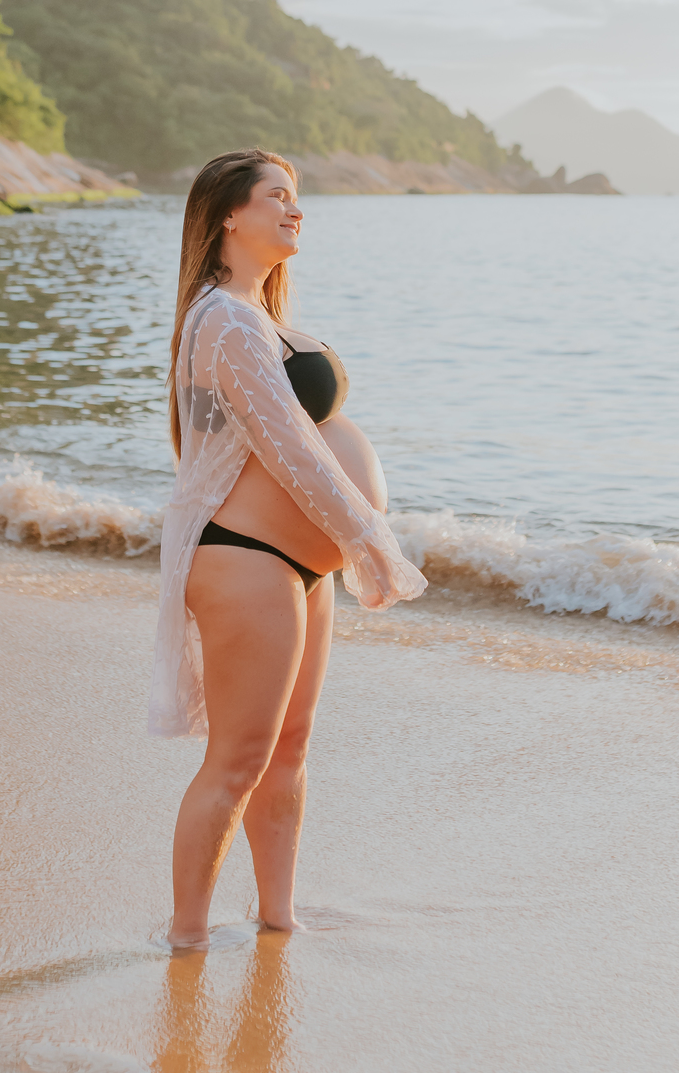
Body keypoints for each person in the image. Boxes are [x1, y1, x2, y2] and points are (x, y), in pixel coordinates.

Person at [150, 148, 427, 948]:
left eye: (297, 198)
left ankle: (279, 919)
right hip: (246, 558)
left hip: (299, 565)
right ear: (230, 214)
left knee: (289, 751)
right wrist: (372, 541)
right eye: (278, 196)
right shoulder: (222, 319)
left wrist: (347, 544)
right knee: (236, 761)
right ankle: (188, 939)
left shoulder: (258, 315)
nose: (295, 210)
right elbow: (293, 452)